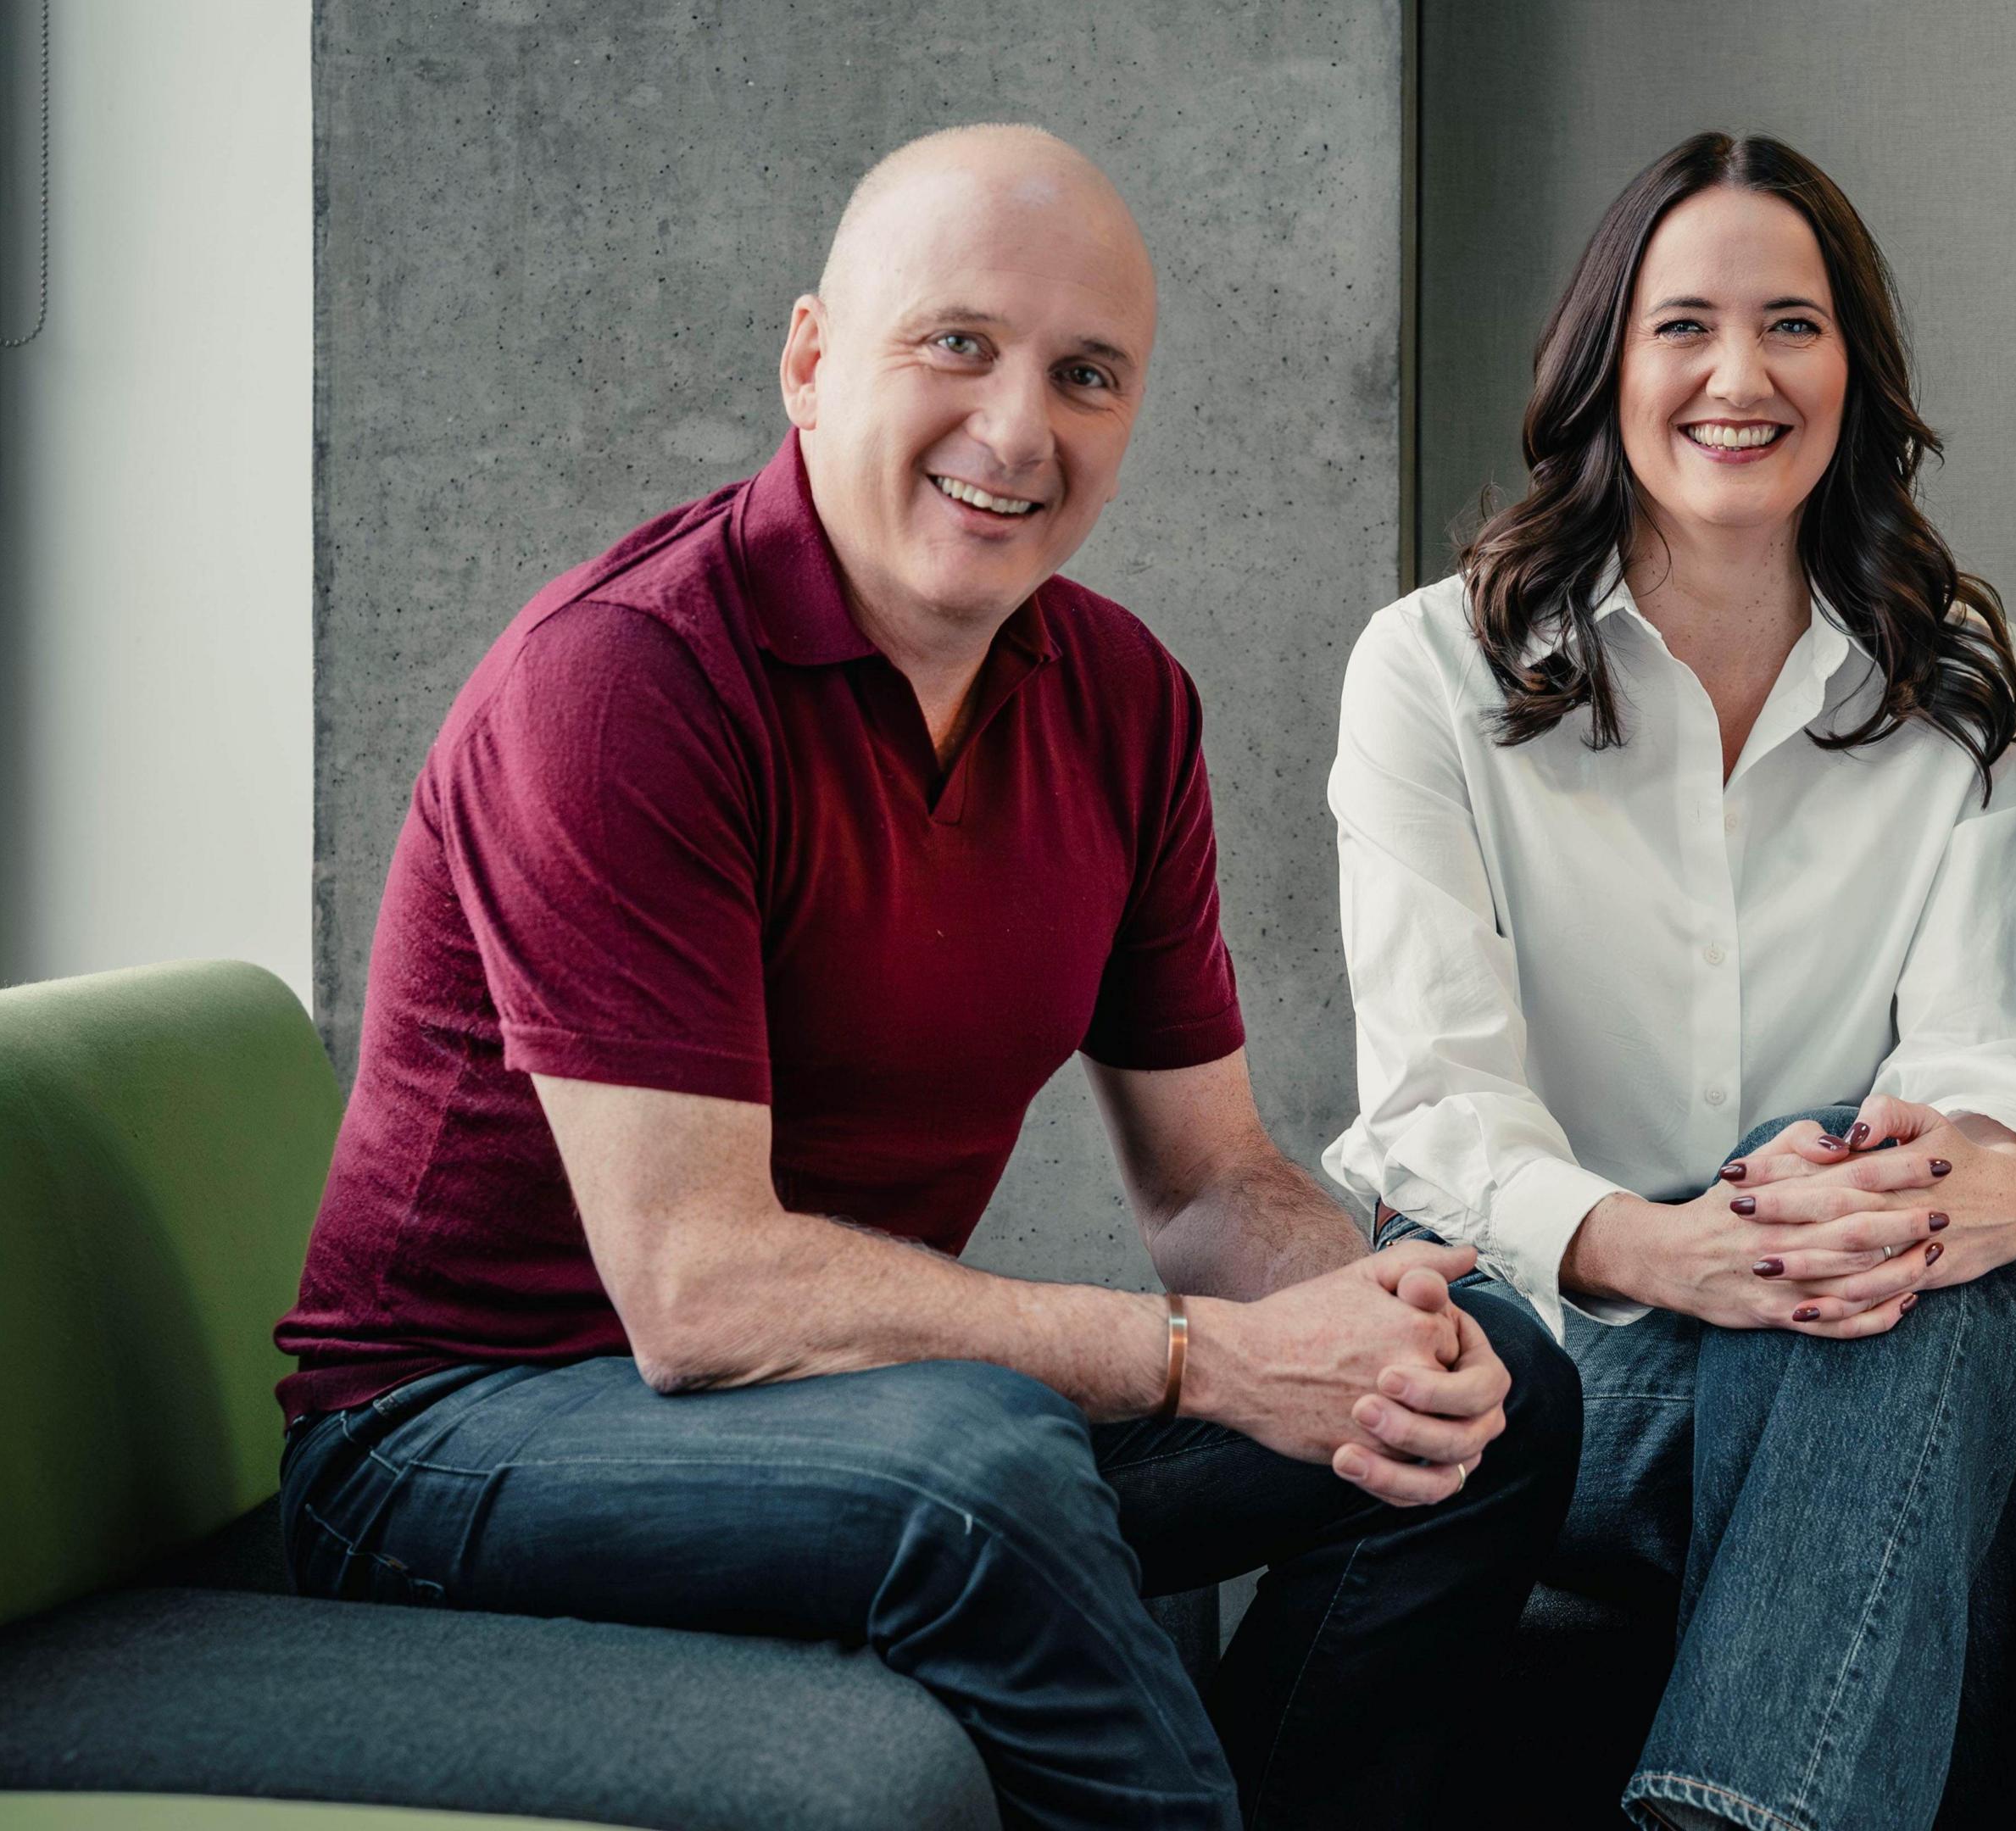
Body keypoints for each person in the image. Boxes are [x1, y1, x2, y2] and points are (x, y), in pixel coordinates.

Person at [272, 123, 1579, 1831]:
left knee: (1490, 1381)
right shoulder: (625, 682)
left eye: (1086, 375)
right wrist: (1199, 1361)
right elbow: (702, 1297)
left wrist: (1366, 1320)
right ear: (812, 361)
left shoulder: (1124, 701)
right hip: (460, 1437)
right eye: (955, 343)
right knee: (979, 1466)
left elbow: (1207, 1181)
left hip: (844, 1413)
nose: (1018, 427)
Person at [1325, 132, 2016, 1831]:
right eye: (1684, 326)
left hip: (1847, 1327)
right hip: (1552, 1357)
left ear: (1854, 370)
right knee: (1969, 1388)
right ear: (1606, 364)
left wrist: (1981, 1179)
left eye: (1792, 326)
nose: (1739, 376)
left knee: (1903, 1256)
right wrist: (1662, 1249)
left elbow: (1995, 1051)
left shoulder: (1966, 666)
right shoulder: (1434, 670)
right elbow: (1433, 1106)